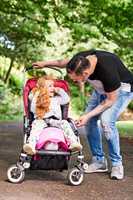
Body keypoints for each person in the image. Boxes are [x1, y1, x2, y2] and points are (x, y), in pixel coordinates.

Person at [32, 49, 133, 180]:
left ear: (86, 74)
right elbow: (62, 62)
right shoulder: (80, 60)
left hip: (121, 90)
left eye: (76, 79)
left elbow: (110, 100)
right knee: (89, 121)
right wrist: (44, 63)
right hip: (101, 89)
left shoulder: (108, 71)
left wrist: (88, 115)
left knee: (107, 121)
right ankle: (99, 161)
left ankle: (117, 164)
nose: (74, 81)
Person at [23, 76, 82, 155]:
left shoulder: (57, 99)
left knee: (65, 123)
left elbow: (66, 99)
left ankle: (73, 142)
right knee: (36, 126)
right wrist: (38, 92)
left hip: (55, 121)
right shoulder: (38, 99)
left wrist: (60, 90)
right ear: (43, 88)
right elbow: (33, 109)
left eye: (53, 86)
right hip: (41, 120)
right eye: (50, 86)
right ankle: (31, 145)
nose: (53, 88)